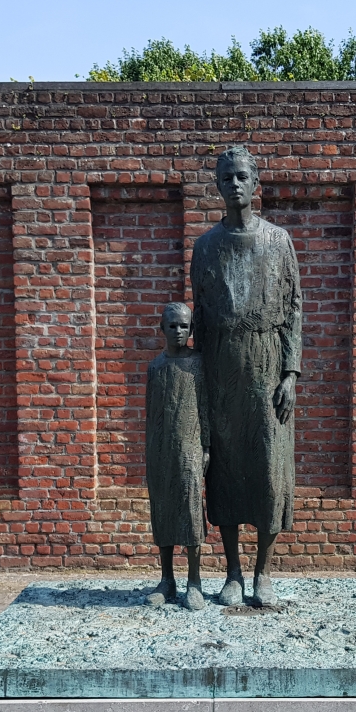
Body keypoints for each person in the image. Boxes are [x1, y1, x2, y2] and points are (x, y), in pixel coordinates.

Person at [191, 147, 302, 607]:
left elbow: (295, 308)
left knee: (269, 473)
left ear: (255, 183)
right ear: (216, 185)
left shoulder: (279, 241)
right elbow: (198, 312)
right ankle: (233, 572)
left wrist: (291, 372)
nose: (233, 184)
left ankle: (263, 573)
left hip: (268, 366)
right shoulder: (205, 246)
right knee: (228, 471)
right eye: (225, 178)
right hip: (221, 367)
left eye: (241, 176)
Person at [144, 301, 210, 611]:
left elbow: (206, 408)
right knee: (164, 510)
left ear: (192, 329)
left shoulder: (198, 364)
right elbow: (150, 412)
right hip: (160, 449)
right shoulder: (155, 367)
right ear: (162, 328)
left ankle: (193, 582)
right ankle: (166, 579)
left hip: (190, 447)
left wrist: (206, 446)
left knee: (191, 511)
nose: (178, 331)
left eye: (184, 325)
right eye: (172, 325)